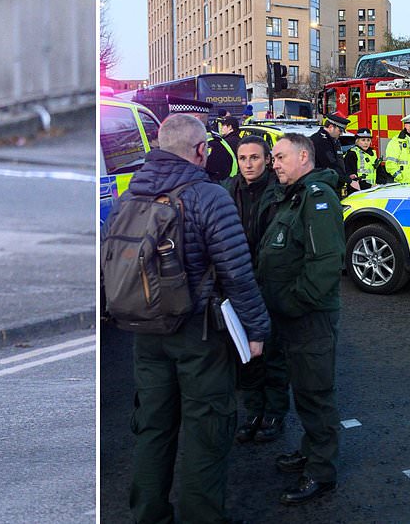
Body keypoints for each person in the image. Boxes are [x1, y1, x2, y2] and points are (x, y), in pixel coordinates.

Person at [122, 112, 271, 524]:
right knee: (206, 430)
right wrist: (257, 330)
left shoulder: (132, 194)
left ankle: (148, 515)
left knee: (153, 428)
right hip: (197, 332)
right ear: (201, 151)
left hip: (144, 329)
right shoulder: (208, 197)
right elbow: (237, 273)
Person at [257, 133, 346, 505]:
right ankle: (311, 450)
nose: (273, 164)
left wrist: (295, 302)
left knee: (315, 393)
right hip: (291, 316)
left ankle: (321, 472)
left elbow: (326, 263)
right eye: (273, 158)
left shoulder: (317, 198)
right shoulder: (293, 195)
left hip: (308, 316)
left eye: (279, 157)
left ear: (304, 157)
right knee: (304, 390)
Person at [222, 135, 289, 444]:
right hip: (238, 281)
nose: (248, 163)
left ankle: (274, 411)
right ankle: (252, 410)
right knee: (246, 352)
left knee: (273, 350)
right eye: (243, 158)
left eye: (255, 158)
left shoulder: (279, 192)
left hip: (269, 281)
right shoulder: (226, 190)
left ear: (266, 160)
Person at [310, 113, 349, 191]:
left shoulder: (333, 140)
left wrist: (347, 176)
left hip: (331, 184)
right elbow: (331, 164)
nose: (341, 133)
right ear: (331, 127)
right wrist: (348, 180)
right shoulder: (320, 141)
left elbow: (339, 163)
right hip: (322, 186)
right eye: (340, 130)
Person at [344, 128, 378, 192]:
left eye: (368, 140)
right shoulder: (352, 154)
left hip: (372, 189)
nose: (366, 143)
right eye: (363, 140)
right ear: (357, 141)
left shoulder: (373, 153)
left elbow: (379, 171)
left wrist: (380, 184)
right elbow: (351, 176)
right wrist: (369, 186)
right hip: (357, 190)